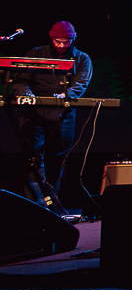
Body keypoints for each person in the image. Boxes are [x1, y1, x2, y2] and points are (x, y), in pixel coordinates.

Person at [12, 21, 93, 207]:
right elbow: (21, 80)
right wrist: (26, 94)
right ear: (51, 38)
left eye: (66, 42)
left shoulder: (82, 59)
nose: (62, 45)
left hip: (62, 116)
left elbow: (81, 83)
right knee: (34, 159)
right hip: (34, 114)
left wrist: (65, 95)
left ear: (73, 39)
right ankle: (33, 206)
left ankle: (51, 206)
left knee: (57, 160)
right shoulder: (36, 54)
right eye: (58, 41)